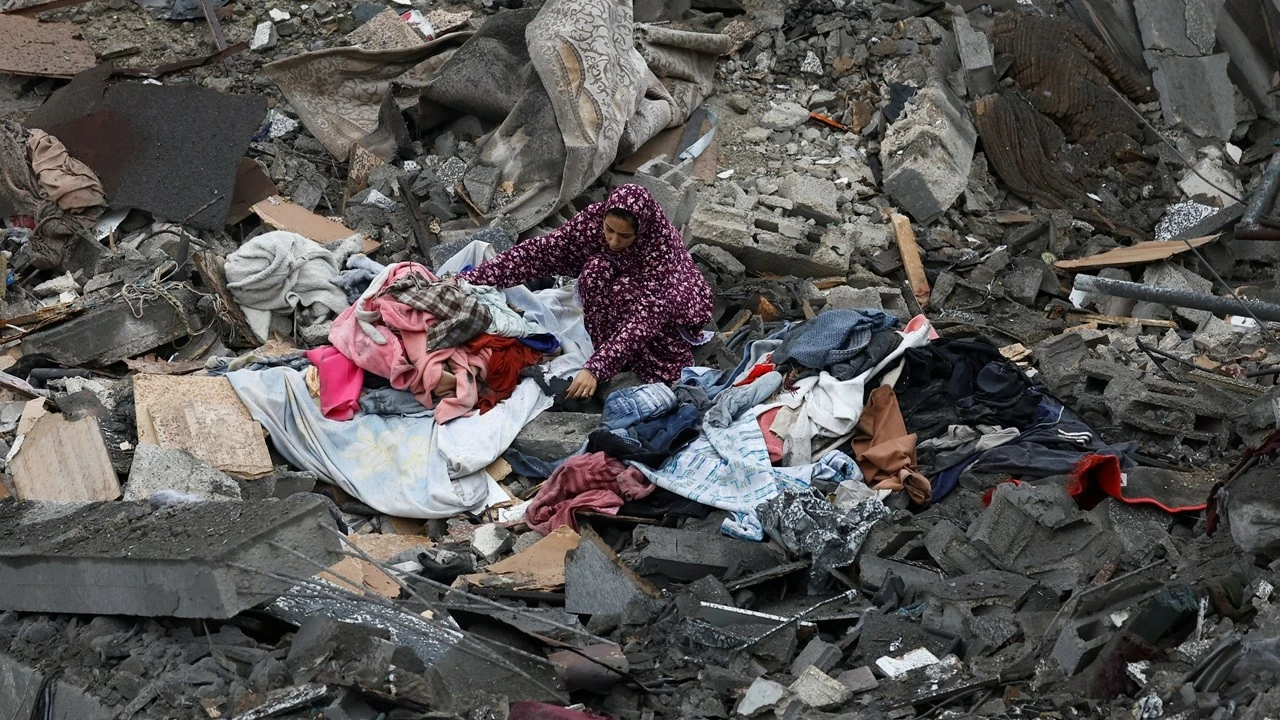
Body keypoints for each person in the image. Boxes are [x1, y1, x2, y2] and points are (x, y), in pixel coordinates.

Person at [459, 184, 713, 399]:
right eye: (609, 230)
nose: (613, 241)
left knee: (624, 292)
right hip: (624, 277)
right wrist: (475, 278)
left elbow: (645, 319)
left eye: (624, 236)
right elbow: (540, 253)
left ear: (641, 230)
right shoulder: (592, 221)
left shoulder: (659, 247)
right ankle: (607, 346)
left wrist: (596, 368)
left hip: (675, 300)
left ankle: (629, 360)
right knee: (595, 270)